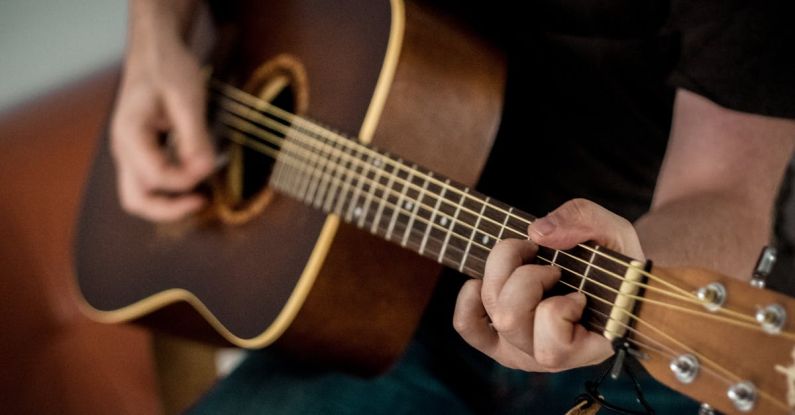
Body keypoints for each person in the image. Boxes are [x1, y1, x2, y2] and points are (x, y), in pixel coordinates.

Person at [111, 0, 795, 413]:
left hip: (629, 330)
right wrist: (155, 34)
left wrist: (633, 271)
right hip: (365, 319)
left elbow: (731, 186)